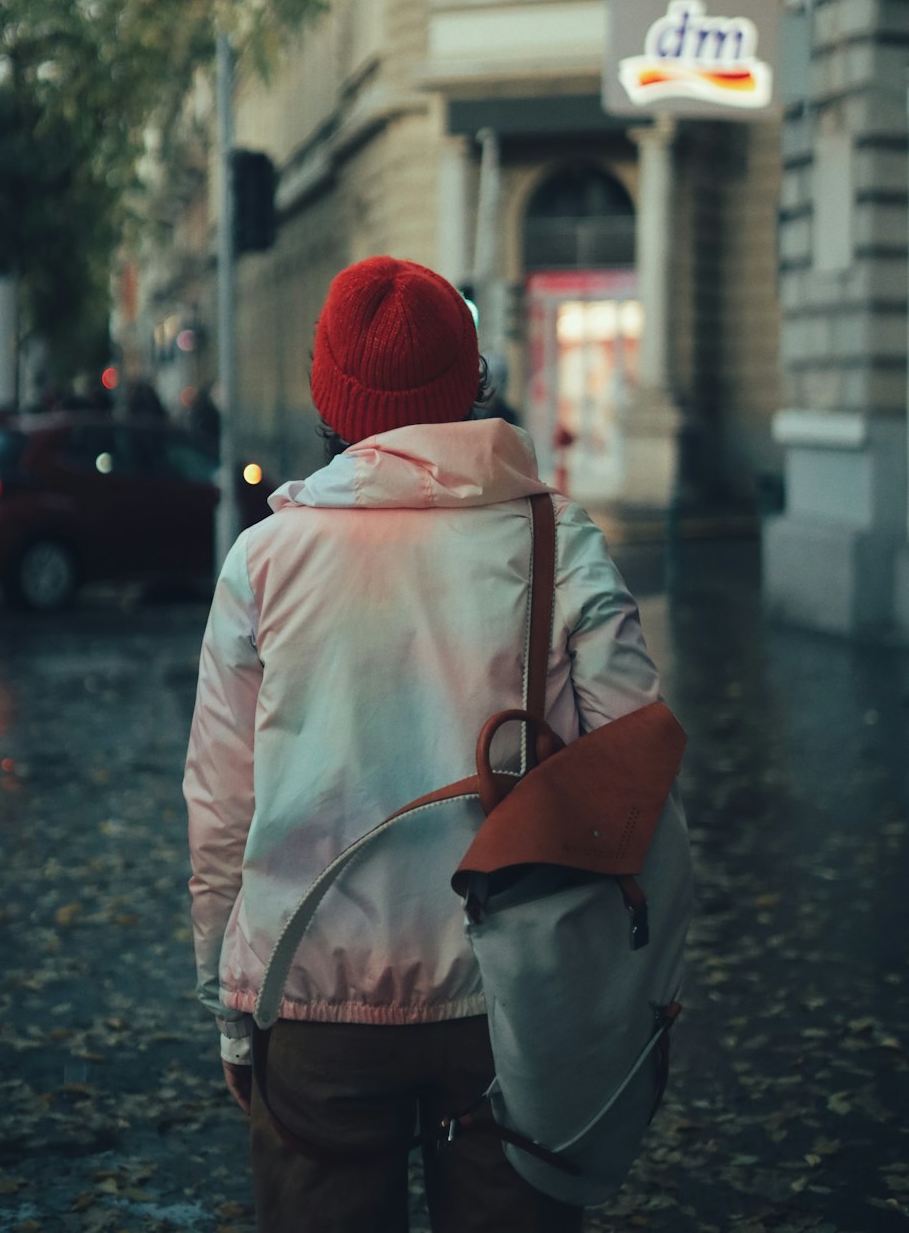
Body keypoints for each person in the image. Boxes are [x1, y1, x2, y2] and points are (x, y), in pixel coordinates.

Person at [183, 256, 661, 1233]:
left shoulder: (264, 561)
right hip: (510, 994)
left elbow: (221, 806)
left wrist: (232, 1007)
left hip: (308, 997)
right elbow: (636, 765)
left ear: (328, 393)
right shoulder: (552, 537)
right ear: (470, 382)